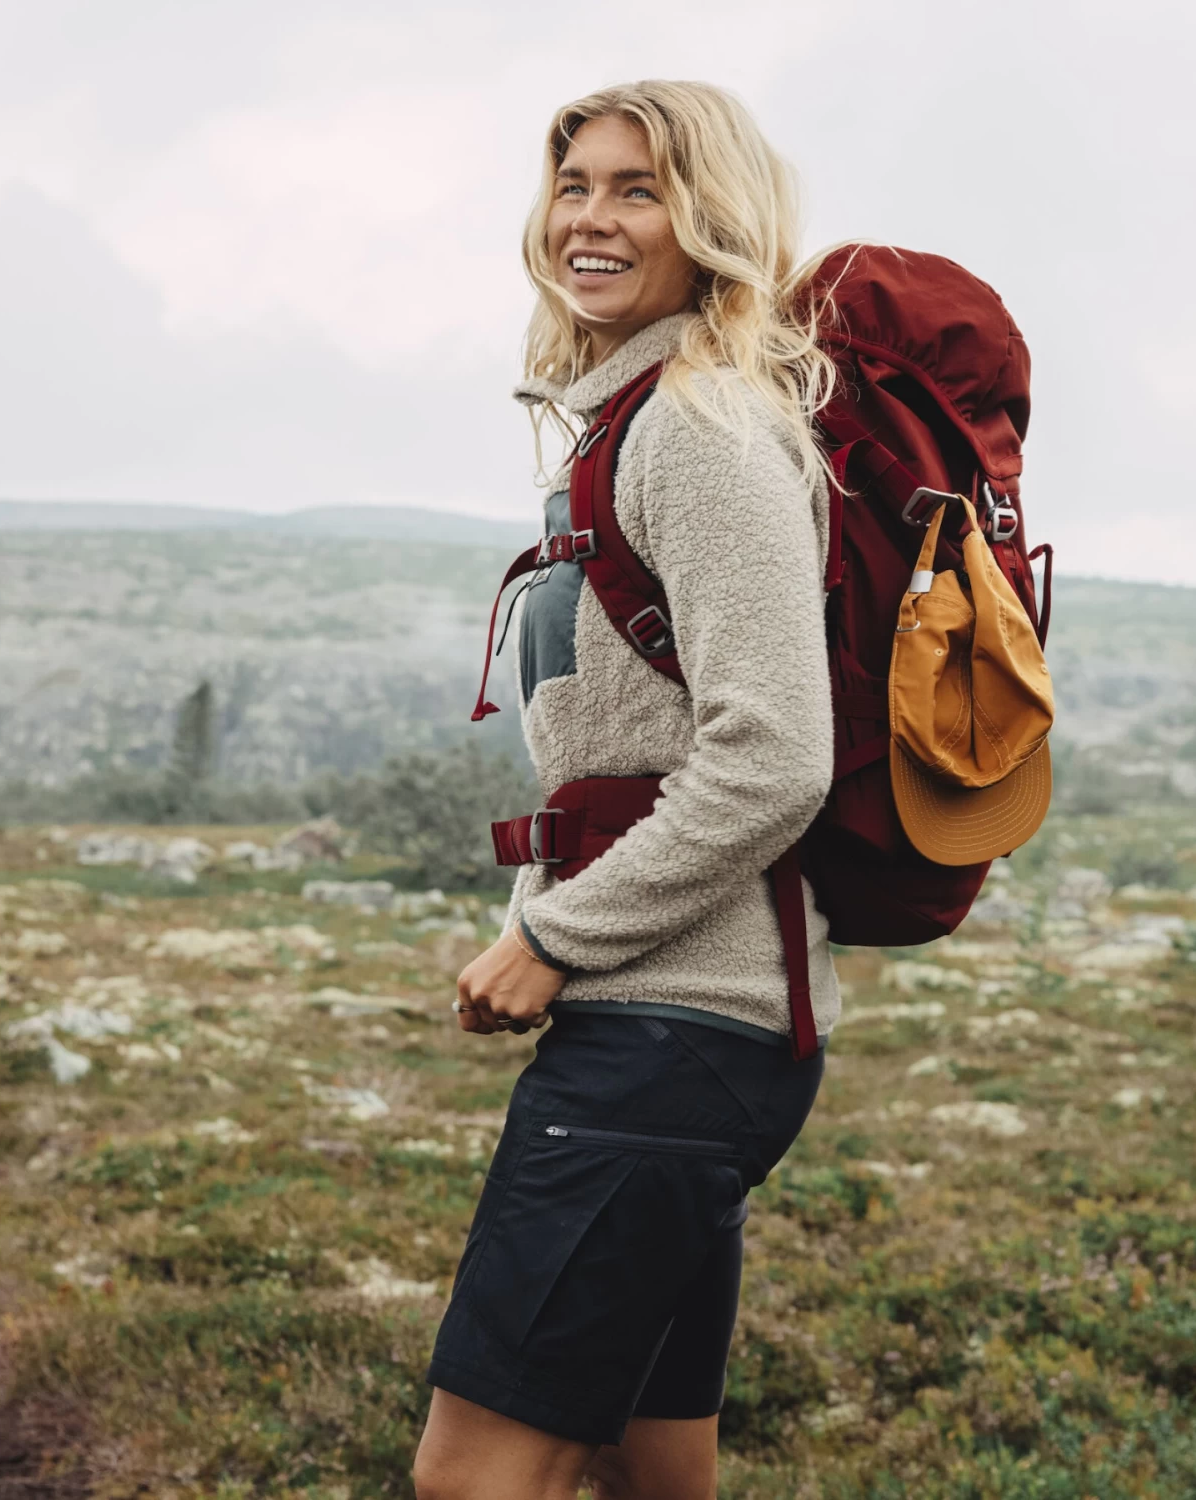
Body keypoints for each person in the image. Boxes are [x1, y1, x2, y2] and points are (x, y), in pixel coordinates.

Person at [412, 80, 841, 1500]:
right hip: (684, 1036)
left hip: (673, 1033)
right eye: (575, 184)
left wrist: (555, 934)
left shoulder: (698, 428)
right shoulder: (630, 417)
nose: (590, 218)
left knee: (473, 1478)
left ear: (710, 220)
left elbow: (774, 755)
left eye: (638, 190)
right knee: (649, 1470)